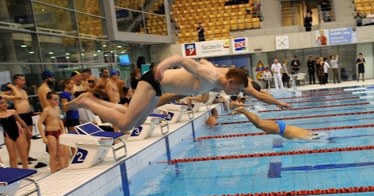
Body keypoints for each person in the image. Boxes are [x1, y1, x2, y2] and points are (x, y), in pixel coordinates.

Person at [67, 55, 249, 132]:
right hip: (152, 82)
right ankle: (87, 101)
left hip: (158, 88)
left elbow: (203, 60)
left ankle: (90, 99)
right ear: (231, 82)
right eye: (237, 89)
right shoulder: (210, 76)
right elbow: (181, 59)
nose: (235, 93)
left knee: (136, 121)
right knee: (124, 125)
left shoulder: (216, 75)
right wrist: (162, 67)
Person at [233, 107, 317, 140]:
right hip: (282, 129)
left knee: (259, 121)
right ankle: (243, 111)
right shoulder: (308, 137)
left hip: (283, 126)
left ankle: (244, 111)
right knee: (258, 123)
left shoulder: (308, 133)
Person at [38, 92, 69, 173]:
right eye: (55, 99)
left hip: (58, 131)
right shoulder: (46, 110)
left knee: (61, 153)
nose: (57, 101)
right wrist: (43, 137)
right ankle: (53, 172)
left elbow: (58, 120)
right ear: (49, 100)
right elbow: (39, 123)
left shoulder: (57, 108)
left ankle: (62, 170)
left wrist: (62, 130)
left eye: (57, 99)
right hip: (50, 133)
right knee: (53, 154)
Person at [0, 95, 31, 168]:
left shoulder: (12, 112)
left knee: (23, 154)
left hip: (18, 133)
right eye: (2, 103)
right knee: (12, 156)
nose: (5, 104)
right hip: (8, 135)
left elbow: (21, 121)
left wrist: (28, 130)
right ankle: (15, 172)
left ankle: (26, 170)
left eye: (5, 102)